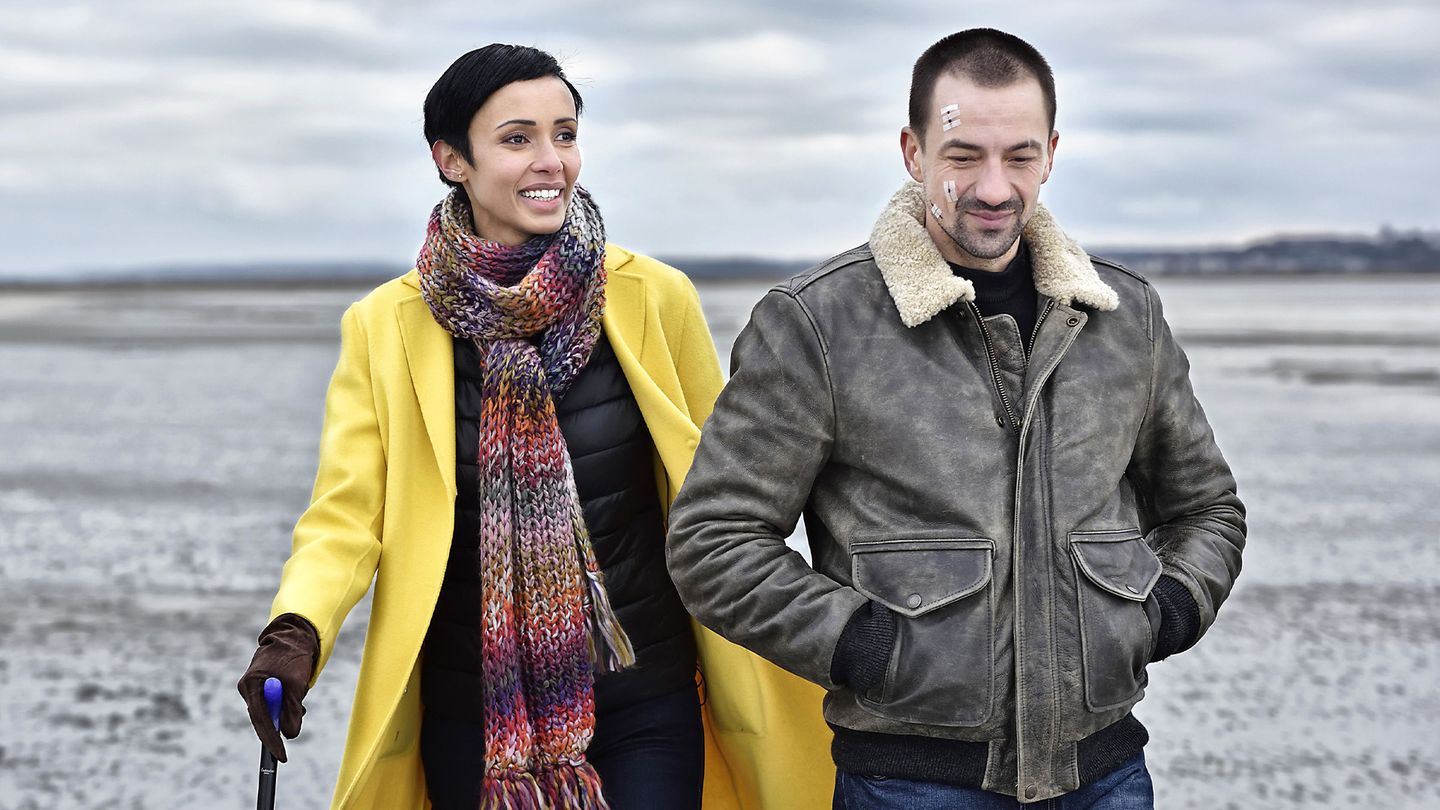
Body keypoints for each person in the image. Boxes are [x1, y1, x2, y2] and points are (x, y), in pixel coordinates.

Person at [236, 44, 831, 810]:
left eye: (565, 133)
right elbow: (348, 515)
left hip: (646, 694)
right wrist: (297, 627)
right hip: (473, 715)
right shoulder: (385, 326)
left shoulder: (652, 297)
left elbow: (728, 493)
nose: (550, 160)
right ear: (452, 159)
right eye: (517, 139)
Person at [666, 28, 1247, 808]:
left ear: (1052, 153)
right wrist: (864, 645)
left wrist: (1165, 613)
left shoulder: (1123, 317)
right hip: (909, 782)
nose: (995, 187)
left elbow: (1207, 508)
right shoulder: (818, 323)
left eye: (1020, 156)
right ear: (913, 152)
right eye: (964, 155)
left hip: (1105, 776)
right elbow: (715, 540)